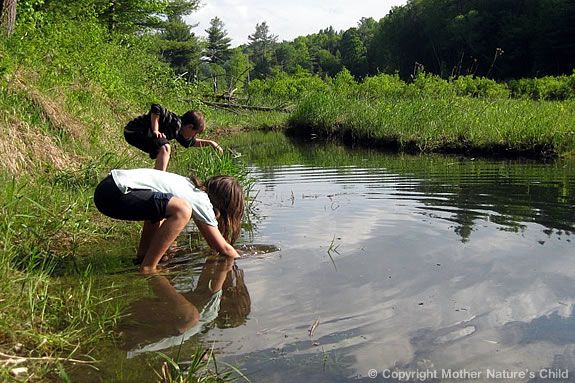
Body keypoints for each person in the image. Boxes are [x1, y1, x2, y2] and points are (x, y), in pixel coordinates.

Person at [93, 168, 244, 273]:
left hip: (108, 187)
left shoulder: (190, 189)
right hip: (115, 193)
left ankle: (143, 257)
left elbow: (154, 210)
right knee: (182, 210)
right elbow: (222, 247)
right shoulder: (201, 200)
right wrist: (242, 258)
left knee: (162, 207)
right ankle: (148, 268)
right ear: (224, 206)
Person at [124, 104, 224, 171]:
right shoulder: (174, 121)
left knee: (164, 149)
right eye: (195, 133)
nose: (194, 136)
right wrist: (155, 130)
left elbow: (191, 142)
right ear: (190, 127)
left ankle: (156, 176)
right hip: (134, 131)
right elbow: (156, 108)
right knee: (165, 148)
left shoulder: (179, 131)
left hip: (137, 134)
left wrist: (211, 143)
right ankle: (158, 180)